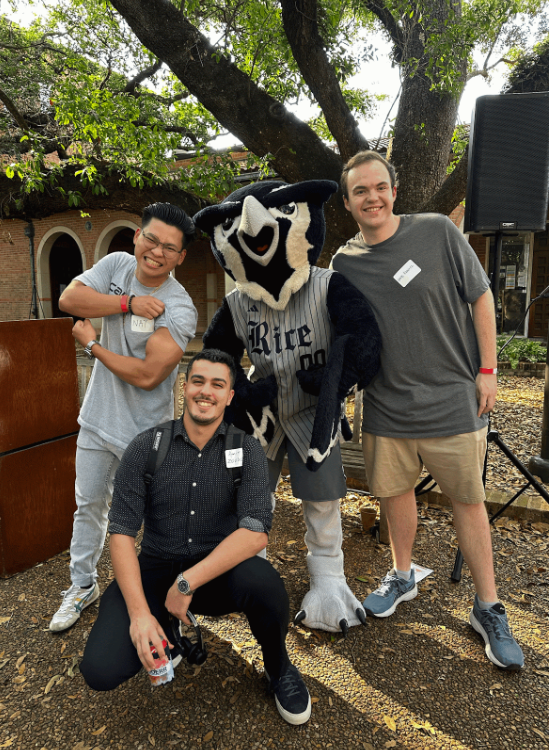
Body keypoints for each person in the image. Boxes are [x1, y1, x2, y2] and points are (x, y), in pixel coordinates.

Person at [331, 151, 524, 671]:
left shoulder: (437, 232)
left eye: (379, 187)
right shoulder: (343, 265)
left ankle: (487, 607)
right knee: (394, 496)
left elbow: (481, 296)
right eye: (360, 192)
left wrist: (488, 370)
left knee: (468, 501)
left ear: (394, 190)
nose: (372, 197)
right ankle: (402, 574)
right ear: (348, 203)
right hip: (387, 406)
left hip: (452, 400)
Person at [79, 349, 311, 726]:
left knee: (265, 583)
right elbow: (120, 532)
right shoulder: (146, 447)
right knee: (100, 670)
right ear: (184, 387)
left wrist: (188, 581)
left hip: (215, 572)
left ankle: (278, 666)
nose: (207, 391)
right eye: (198, 381)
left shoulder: (246, 449)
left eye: (218, 384)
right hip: (155, 569)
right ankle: (163, 624)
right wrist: (139, 615)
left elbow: (255, 534)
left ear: (230, 395)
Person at [49, 203, 198, 633]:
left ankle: (159, 596)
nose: (156, 252)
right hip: (96, 421)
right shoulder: (116, 265)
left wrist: (93, 346)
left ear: (181, 257)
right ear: (136, 235)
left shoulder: (179, 307)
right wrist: (128, 301)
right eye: (151, 239)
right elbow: (69, 299)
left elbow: (150, 376)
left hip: (144, 436)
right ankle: (81, 585)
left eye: (170, 248)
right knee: (88, 505)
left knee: (154, 518)